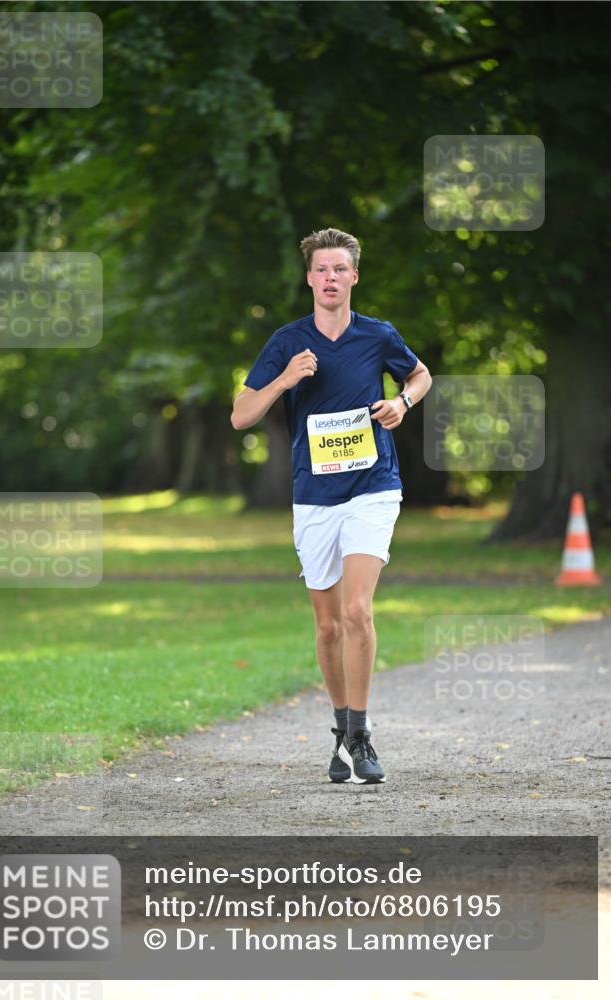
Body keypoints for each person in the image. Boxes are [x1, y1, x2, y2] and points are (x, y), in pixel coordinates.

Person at [231, 227, 431, 784]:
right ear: (309, 279)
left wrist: (402, 402)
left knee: (356, 611)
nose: (330, 278)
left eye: (339, 269)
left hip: (373, 487)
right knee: (327, 628)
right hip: (314, 497)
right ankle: (341, 731)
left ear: (354, 277)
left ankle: (361, 735)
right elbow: (241, 415)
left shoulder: (377, 335)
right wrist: (285, 379)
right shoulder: (287, 342)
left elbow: (420, 374)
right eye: (321, 269)